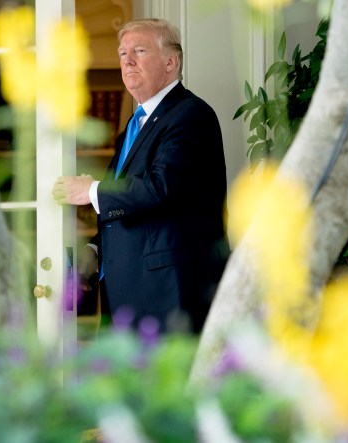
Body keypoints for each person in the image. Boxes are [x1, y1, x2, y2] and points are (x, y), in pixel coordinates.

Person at [52, 18, 228, 334]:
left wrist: (91, 191)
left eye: (140, 50)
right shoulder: (134, 126)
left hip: (167, 293)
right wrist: (94, 252)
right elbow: (130, 212)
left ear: (171, 62)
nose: (128, 60)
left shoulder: (190, 115)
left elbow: (162, 188)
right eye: (122, 53)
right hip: (125, 291)